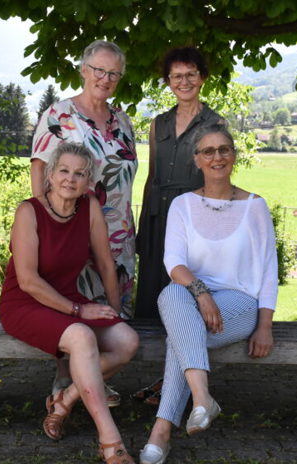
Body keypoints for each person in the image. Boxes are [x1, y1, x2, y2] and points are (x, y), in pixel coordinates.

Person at [138, 125, 277, 464]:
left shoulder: (255, 207)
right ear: (196, 159)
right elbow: (174, 263)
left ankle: (162, 430)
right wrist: (201, 294)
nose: (217, 157)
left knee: (179, 335)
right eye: (209, 151)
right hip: (192, 296)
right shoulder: (184, 205)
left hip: (240, 303)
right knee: (172, 296)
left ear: (234, 155)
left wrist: (265, 326)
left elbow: (269, 271)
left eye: (224, 149)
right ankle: (199, 400)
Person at [0, 142, 140, 464]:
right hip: (25, 302)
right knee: (80, 337)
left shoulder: (88, 207)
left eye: (79, 173)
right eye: (63, 170)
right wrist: (80, 311)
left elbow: (106, 265)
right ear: (50, 174)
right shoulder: (28, 211)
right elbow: (29, 280)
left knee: (127, 342)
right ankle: (110, 438)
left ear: (88, 180)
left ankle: (65, 400)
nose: (70, 179)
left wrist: (114, 310)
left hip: (68, 299)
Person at [31, 40, 138, 404]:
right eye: (98, 70)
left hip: (118, 234)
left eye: (113, 73)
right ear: (83, 70)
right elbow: (40, 172)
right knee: (72, 303)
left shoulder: (123, 120)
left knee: (111, 311)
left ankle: (92, 382)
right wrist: (48, 223)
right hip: (71, 230)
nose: (105, 78)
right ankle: (65, 380)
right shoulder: (59, 115)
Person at [132, 46, 225, 406]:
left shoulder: (215, 124)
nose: (183, 82)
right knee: (154, 301)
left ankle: (179, 386)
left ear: (201, 78)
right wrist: (144, 229)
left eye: (190, 74)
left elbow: (217, 180)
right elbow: (152, 176)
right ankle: (165, 381)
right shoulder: (158, 123)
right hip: (157, 220)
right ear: (168, 82)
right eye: (176, 76)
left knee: (184, 301)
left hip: (193, 222)